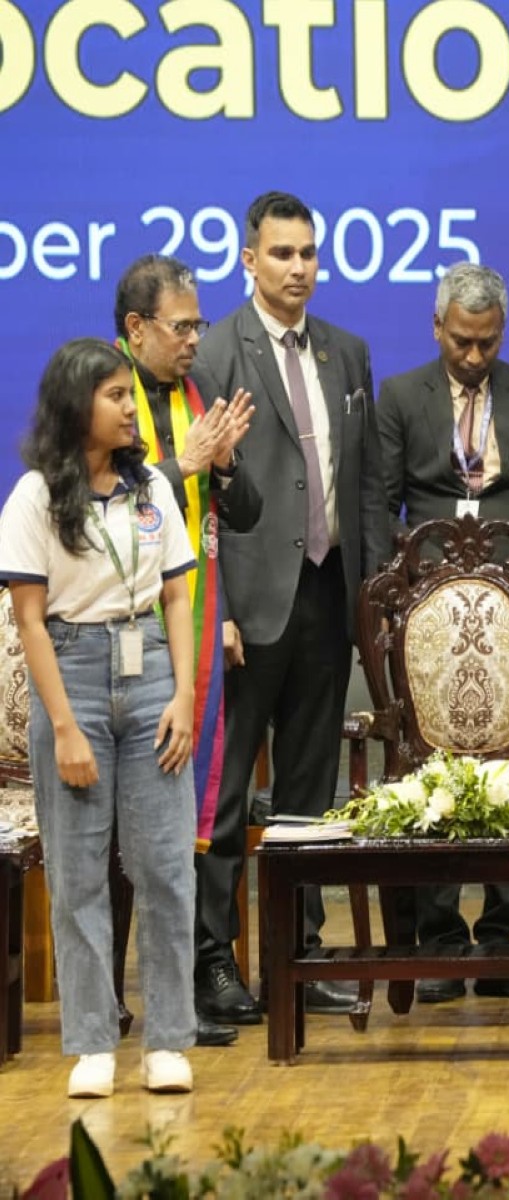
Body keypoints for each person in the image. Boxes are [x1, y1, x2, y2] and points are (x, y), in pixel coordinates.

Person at [189, 190, 390, 1024]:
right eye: (281, 254)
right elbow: (198, 494)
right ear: (249, 259)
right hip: (244, 608)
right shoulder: (212, 355)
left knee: (308, 796)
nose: (299, 268)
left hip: (327, 593)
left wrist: (371, 599)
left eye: (308, 253)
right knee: (227, 795)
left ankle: (299, 959)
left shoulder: (346, 352)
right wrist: (215, 610)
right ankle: (214, 964)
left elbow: (367, 486)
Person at [0, 338, 201, 1097]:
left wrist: (182, 694)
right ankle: (91, 1040)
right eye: (115, 394)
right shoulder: (33, 497)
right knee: (80, 873)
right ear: (75, 405)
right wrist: (64, 727)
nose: (130, 405)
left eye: (130, 394)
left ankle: (168, 1040)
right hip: (74, 673)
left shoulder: (151, 487)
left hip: (149, 666)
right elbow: (28, 623)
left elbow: (178, 593)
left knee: (163, 868)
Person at [377, 262, 509, 1005]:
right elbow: (379, 503)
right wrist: (412, 583)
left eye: (486, 344)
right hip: (424, 606)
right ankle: (437, 940)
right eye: (461, 342)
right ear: (438, 329)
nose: (472, 357)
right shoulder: (401, 397)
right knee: (427, 761)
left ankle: (501, 937)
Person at [115, 254, 259, 1049]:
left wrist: (227, 465)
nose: (194, 341)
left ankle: (197, 981)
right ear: (136, 328)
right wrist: (184, 466)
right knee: (145, 825)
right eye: (181, 327)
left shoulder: (198, 397)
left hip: (198, 629)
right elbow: (102, 496)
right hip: (123, 641)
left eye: (199, 326)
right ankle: (134, 995)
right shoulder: (102, 394)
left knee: (198, 818)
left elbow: (238, 517)